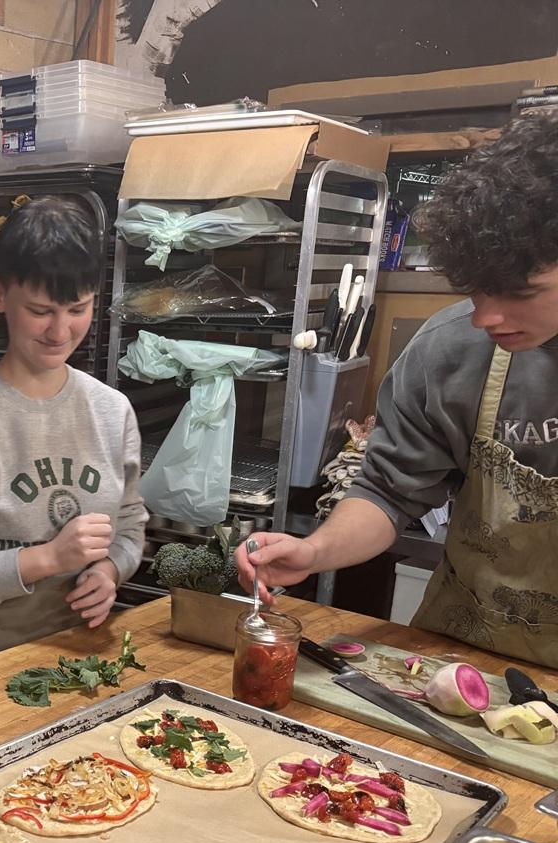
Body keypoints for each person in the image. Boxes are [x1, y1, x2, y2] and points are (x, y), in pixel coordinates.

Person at [237, 117, 558, 666]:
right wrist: (315, 551)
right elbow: (388, 493)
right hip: (464, 655)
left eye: (516, 292)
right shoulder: (450, 350)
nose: (485, 317)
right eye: (474, 291)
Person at [0, 198, 147, 674]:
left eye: (78, 308)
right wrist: (49, 558)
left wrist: (110, 569)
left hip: (82, 659)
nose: (61, 330)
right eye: (41, 310)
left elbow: (131, 522)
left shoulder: (111, 411)